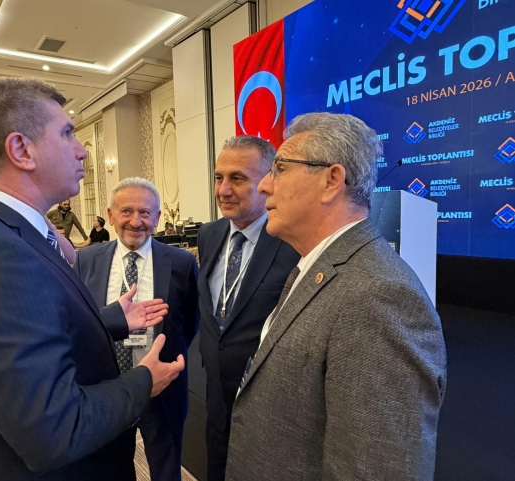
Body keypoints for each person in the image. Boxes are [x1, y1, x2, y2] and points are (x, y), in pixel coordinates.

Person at [0, 77, 184, 481]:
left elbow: (27, 331)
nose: (83, 149)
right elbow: (56, 429)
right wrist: (144, 380)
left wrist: (109, 319)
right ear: (21, 150)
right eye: (68, 133)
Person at [225, 113, 447, 480]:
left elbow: (376, 470)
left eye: (280, 168)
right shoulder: (318, 268)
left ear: (331, 180)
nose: (263, 186)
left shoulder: (378, 296)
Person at [74, 177, 199, 481]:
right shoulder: (86, 260)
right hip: (108, 389)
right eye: (126, 211)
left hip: (162, 386)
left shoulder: (182, 262)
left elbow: (189, 321)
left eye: (145, 212)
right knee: (110, 469)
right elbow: (81, 320)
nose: (136, 221)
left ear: (157, 218)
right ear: (110, 215)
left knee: (166, 469)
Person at [197, 136, 300, 481]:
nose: (223, 190)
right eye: (218, 177)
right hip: (215, 390)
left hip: (267, 399)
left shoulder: (292, 241)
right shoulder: (209, 235)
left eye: (237, 178)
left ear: (269, 181)